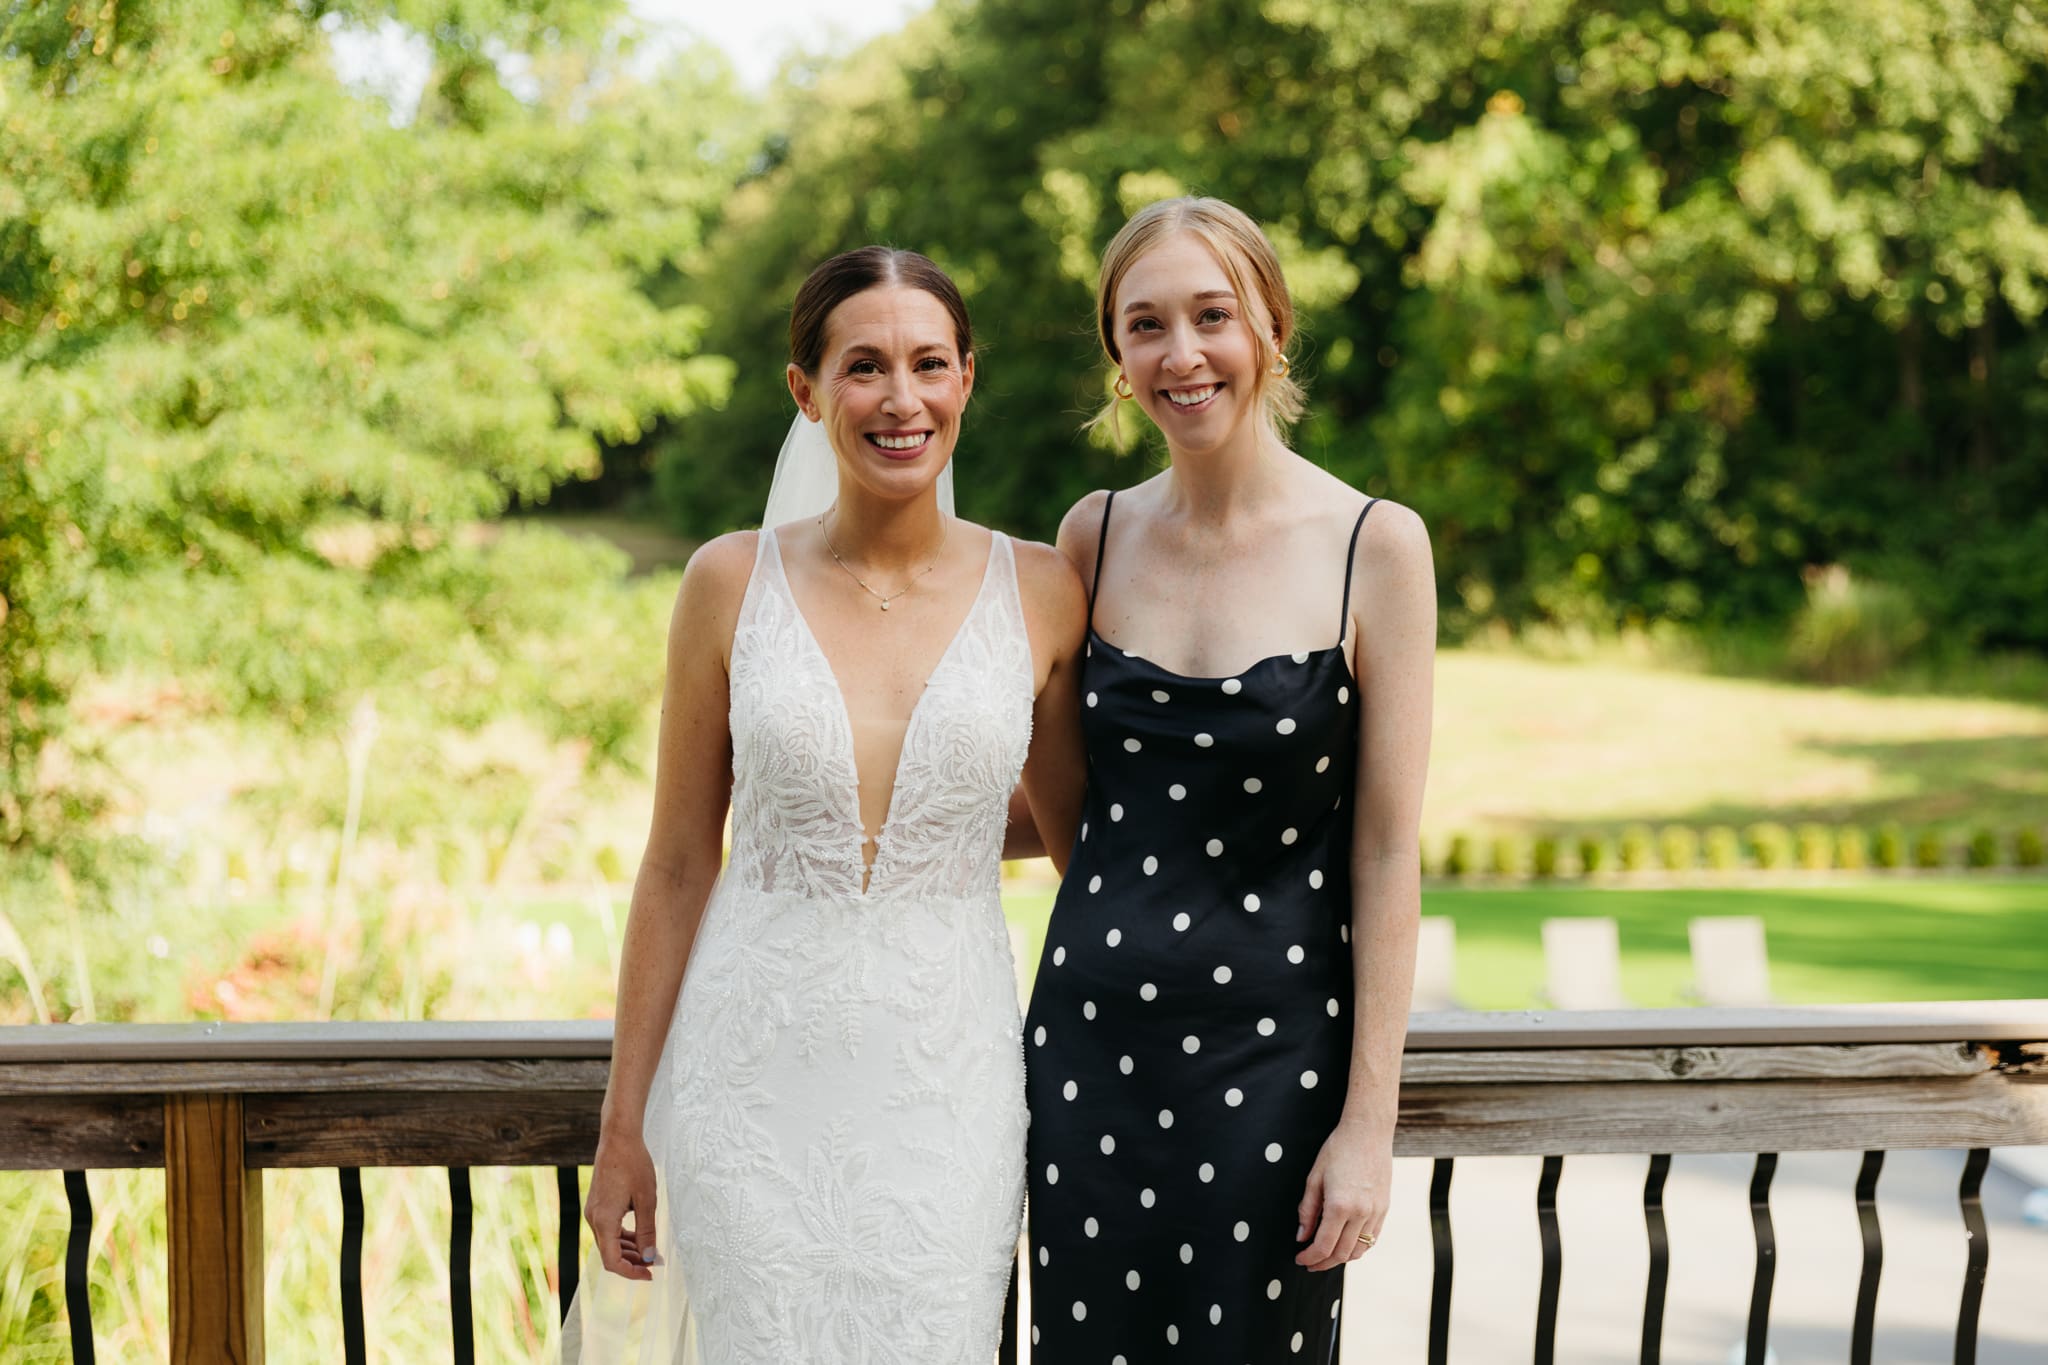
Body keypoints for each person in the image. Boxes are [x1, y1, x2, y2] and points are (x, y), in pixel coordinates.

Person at [570, 246, 1088, 1363]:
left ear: (965, 381)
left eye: (929, 364)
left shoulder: (1044, 591)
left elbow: (1077, 840)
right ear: (806, 392)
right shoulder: (726, 583)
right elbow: (677, 861)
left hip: (945, 1089)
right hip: (749, 1084)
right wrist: (622, 1127)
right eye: (864, 367)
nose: (901, 398)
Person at [1023, 197, 1436, 1361]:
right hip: (1087, 1051)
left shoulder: (1374, 545)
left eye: (1211, 316)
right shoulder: (1090, 535)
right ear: (1116, 355)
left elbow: (1384, 849)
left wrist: (1366, 1125)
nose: (1181, 353)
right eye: (1144, 325)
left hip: (1274, 1062)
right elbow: (1073, 808)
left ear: (1270, 328)